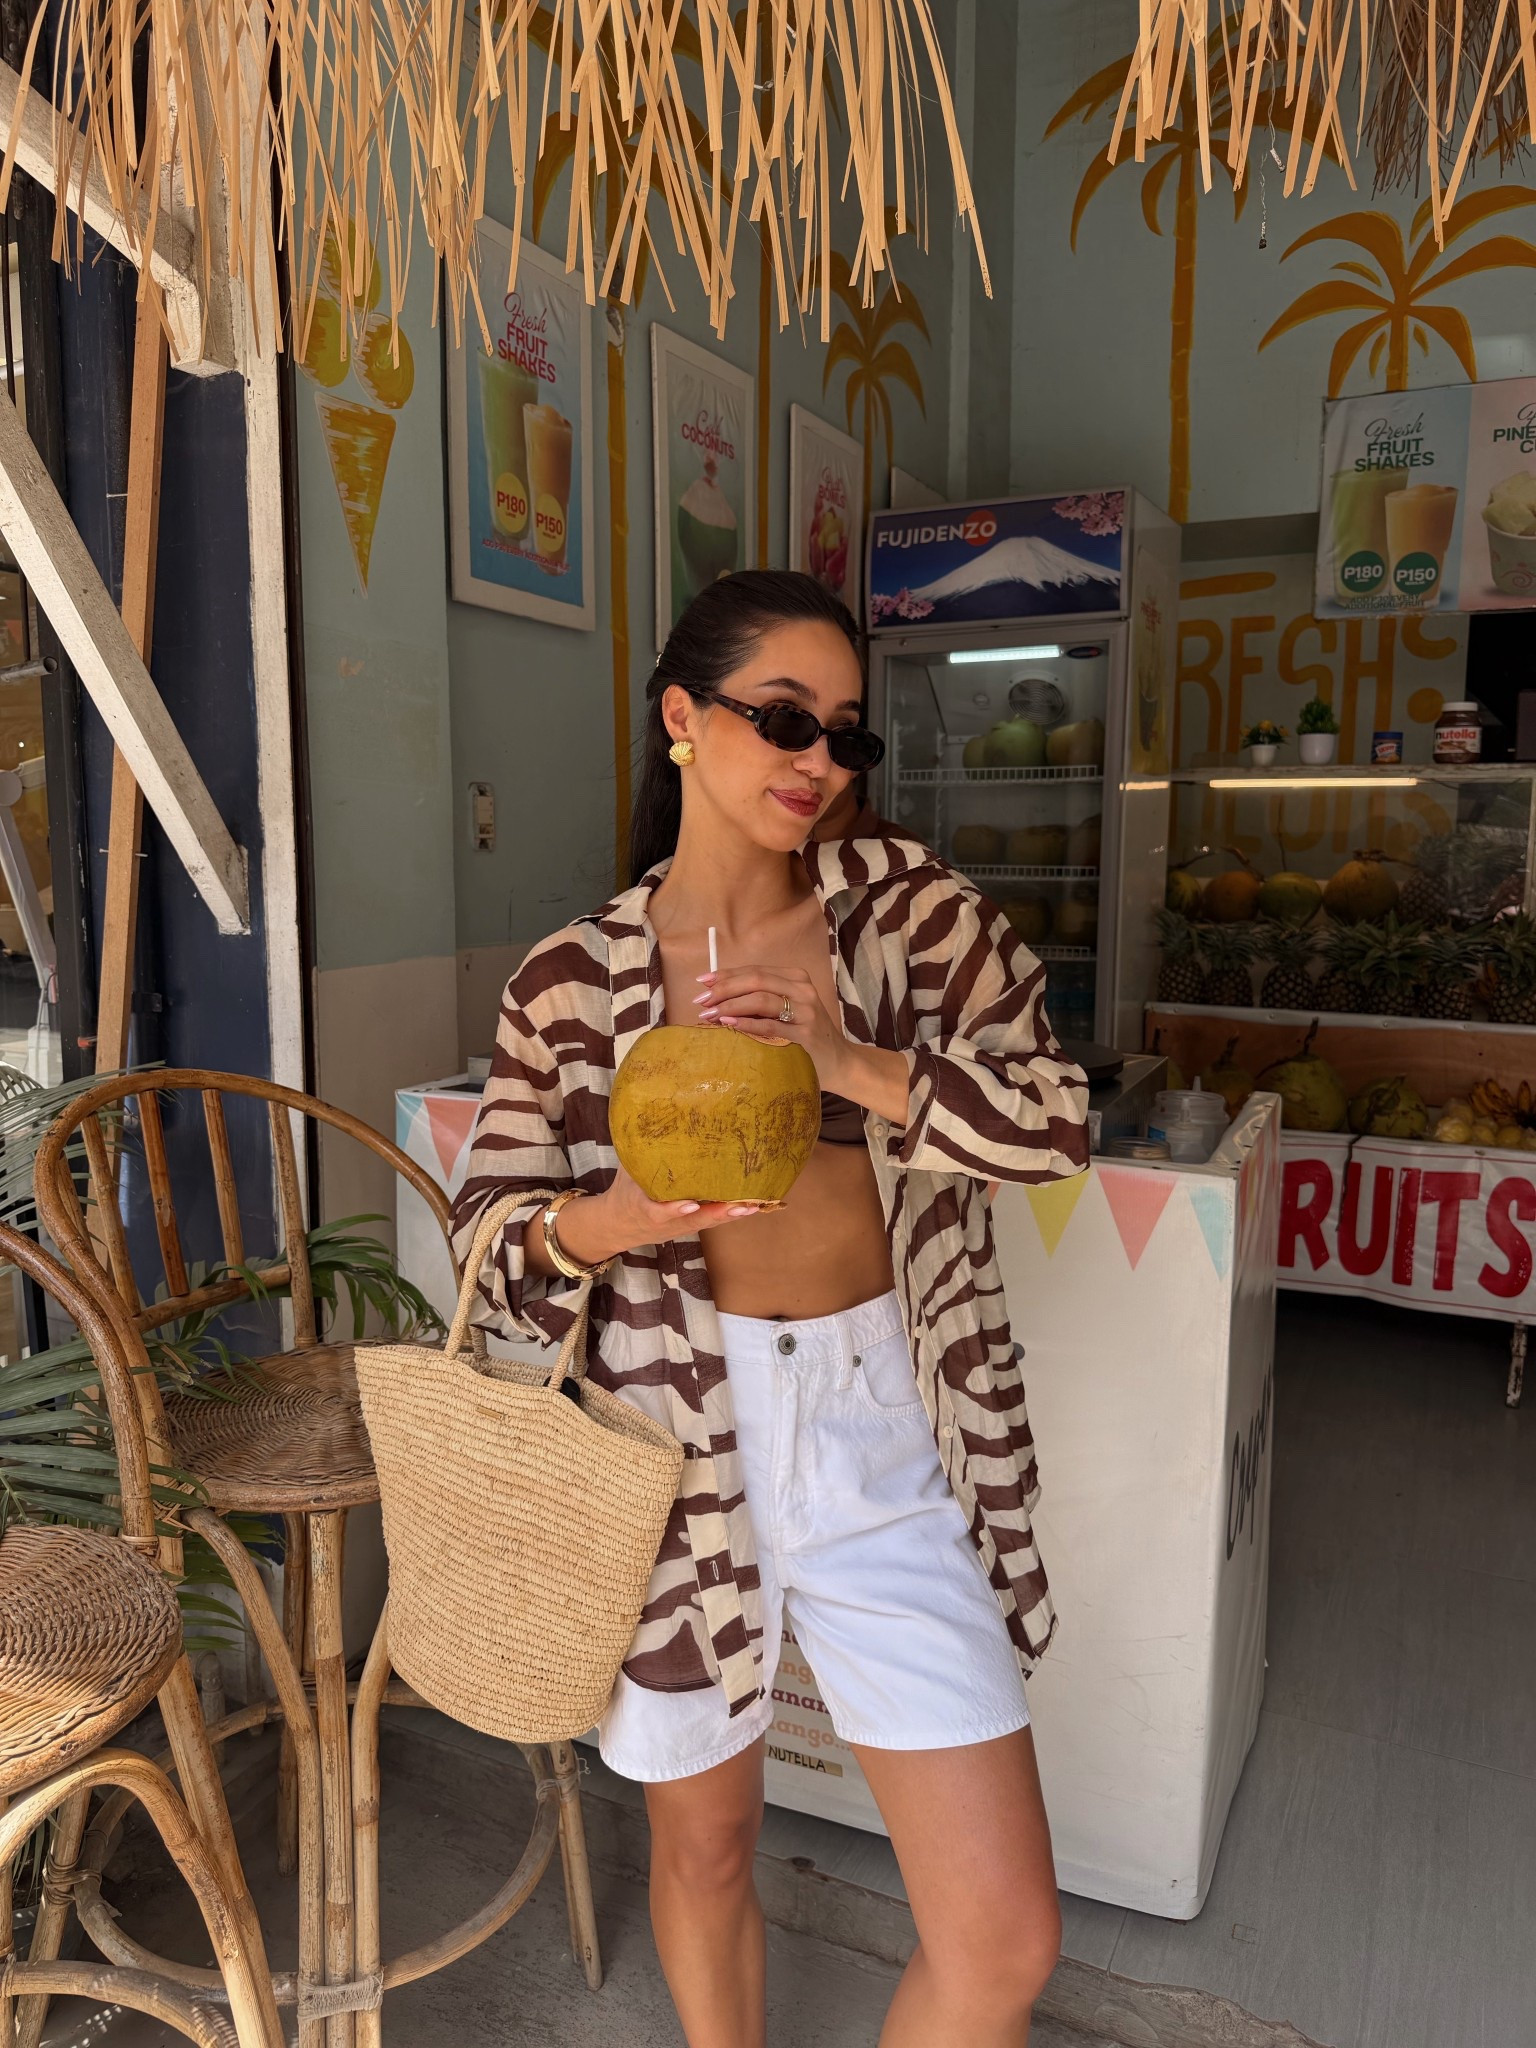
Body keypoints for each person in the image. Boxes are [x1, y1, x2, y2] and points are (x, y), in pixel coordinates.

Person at [451, 570, 1089, 2048]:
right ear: (682, 719)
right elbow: (490, 1244)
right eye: (784, 719)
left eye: (846, 737)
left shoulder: (918, 923)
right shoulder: (568, 982)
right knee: (706, 1849)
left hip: (885, 1431)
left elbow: (1059, 1130)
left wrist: (854, 1063)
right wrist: (618, 1218)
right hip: (670, 1444)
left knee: (1003, 1937)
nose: (817, 763)